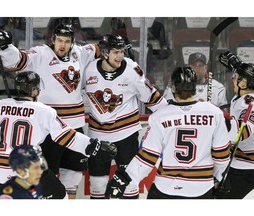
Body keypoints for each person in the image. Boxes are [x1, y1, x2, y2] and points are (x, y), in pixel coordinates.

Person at [0, 23, 100, 199]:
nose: (62, 45)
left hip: (75, 127)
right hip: (49, 130)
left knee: (73, 175)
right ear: (53, 39)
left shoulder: (80, 52)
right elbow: (17, 60)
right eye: (59, 40)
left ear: (72, 42)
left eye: (67, 41)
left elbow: (100, 49)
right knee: (48, 177)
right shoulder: (40, 53)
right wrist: (4, 46)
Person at [0, 71, 116, 199]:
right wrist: (94, 145)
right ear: (36, 91)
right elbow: (66, 137)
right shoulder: (44, 111)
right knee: (60, 195)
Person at [105, 66, 231, 199]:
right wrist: (220, 178)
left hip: (166, 187)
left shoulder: (161, 116)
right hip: (201, 188)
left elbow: (147, 157)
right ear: (194, 87)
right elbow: (221, 156)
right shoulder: (214, 113)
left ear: (173, 88)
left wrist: (124, 179)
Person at [83, 33, 165, 199]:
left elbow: (151, 97)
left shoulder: (132, 69)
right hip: (97, 138)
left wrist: (171, 115)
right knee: (97, 186)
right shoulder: (88, 69)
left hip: (126, 136)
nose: (120, 55)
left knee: (130, 184)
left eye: (121, 51)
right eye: (115, 52)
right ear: (105, 53)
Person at [217, 51, 254, 199]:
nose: (232, 80)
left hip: (246, 168)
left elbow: (243, 132)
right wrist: (238, 66)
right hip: (240, 164)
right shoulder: (244, 97)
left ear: (243, 83)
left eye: (236, 78)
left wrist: (217, 122)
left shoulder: (249, 103)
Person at [163, 52, 228, 108]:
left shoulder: (218, 88)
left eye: (201, 65)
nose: (197, 68)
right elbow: (165, 108)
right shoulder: (175, 86)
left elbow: (224, 113)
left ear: (206, 68)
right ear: (188, 67)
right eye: (194, 65)